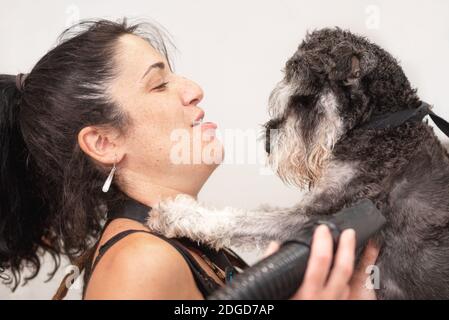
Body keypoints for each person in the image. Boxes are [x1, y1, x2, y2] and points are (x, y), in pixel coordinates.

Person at [0, 19, 379, 300]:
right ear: (103, 141)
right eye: (159, 84)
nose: (194, 90)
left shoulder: (180, 245)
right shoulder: (138, 265)